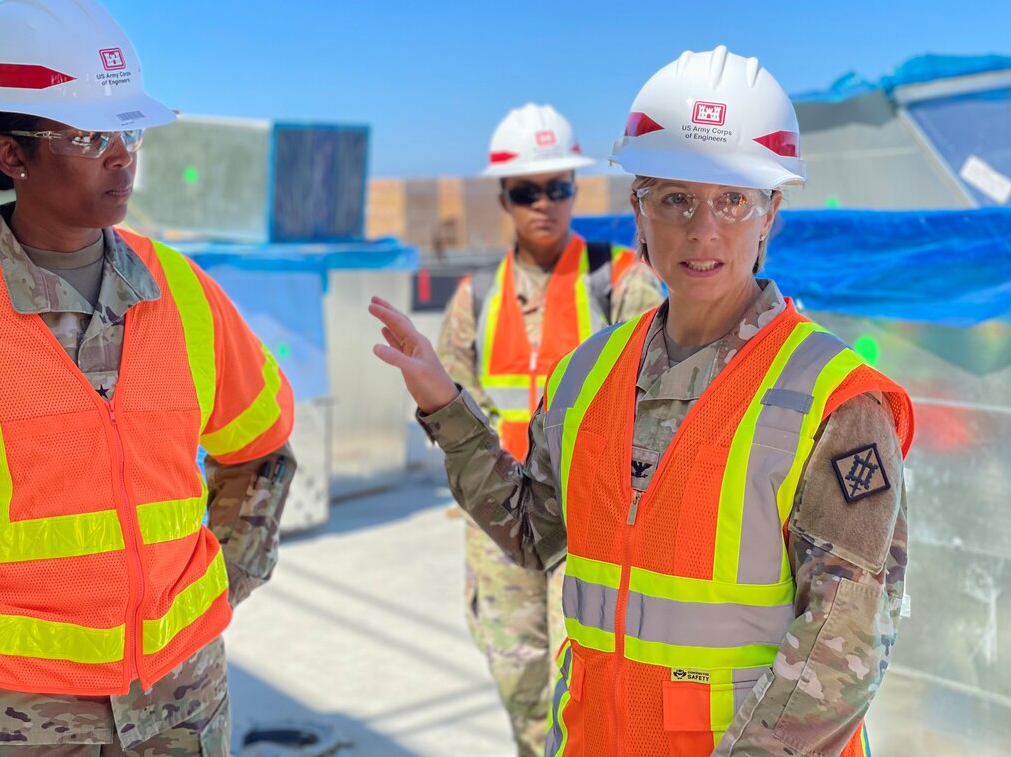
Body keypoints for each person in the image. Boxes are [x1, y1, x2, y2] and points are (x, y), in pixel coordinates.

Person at [371, 46, 914, 756]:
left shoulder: (833, 400)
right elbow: (532, 535)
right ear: (638, 210)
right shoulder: (586, 376)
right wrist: (449, 409)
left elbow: (845, 642)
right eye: (675, 199)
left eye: (732, 200)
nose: (703, 230)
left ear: (771, 213)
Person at [0, 0, 295, 755]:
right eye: (93, 135)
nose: (124, 156)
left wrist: (217, 586)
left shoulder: (185, 294)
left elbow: (263, 450)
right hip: (7, 715)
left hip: (182, 704)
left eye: (129, 131)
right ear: (11, 155)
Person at [438, 103, 662, 756]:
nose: (545, 203)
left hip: (590, 524)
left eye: (558, 187)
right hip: (501, 525)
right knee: (520, 681)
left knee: (589, 684)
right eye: (527, 191)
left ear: (575, 188)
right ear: (505, 197)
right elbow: (454, 405)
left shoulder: (623, 284)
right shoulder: (476, 299)